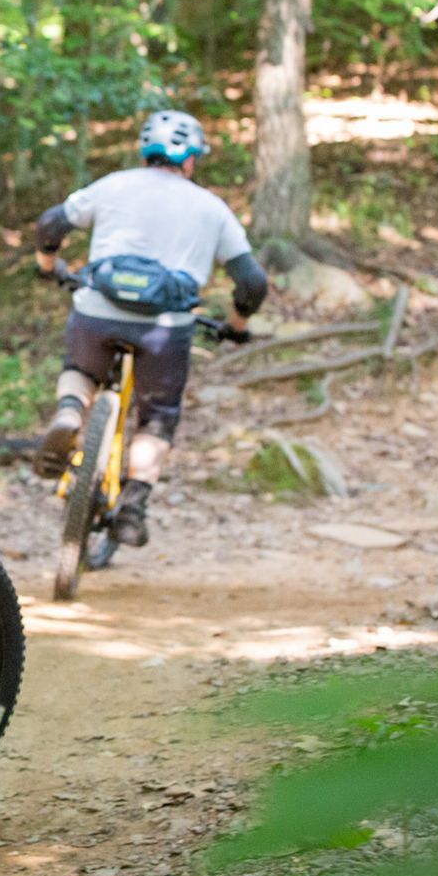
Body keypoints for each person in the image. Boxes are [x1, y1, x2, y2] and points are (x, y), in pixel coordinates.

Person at [32, 109, 268, 548]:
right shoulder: (211, 208)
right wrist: (235, 327)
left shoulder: (112, 185)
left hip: (98, 310)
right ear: (191, 159)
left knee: (82, 371)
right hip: (166, 327)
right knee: (157, 415)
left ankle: (68, 412)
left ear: (144, 151)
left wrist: (48, 267)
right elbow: (252, 282)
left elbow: (50, 224)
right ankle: (134, 508)